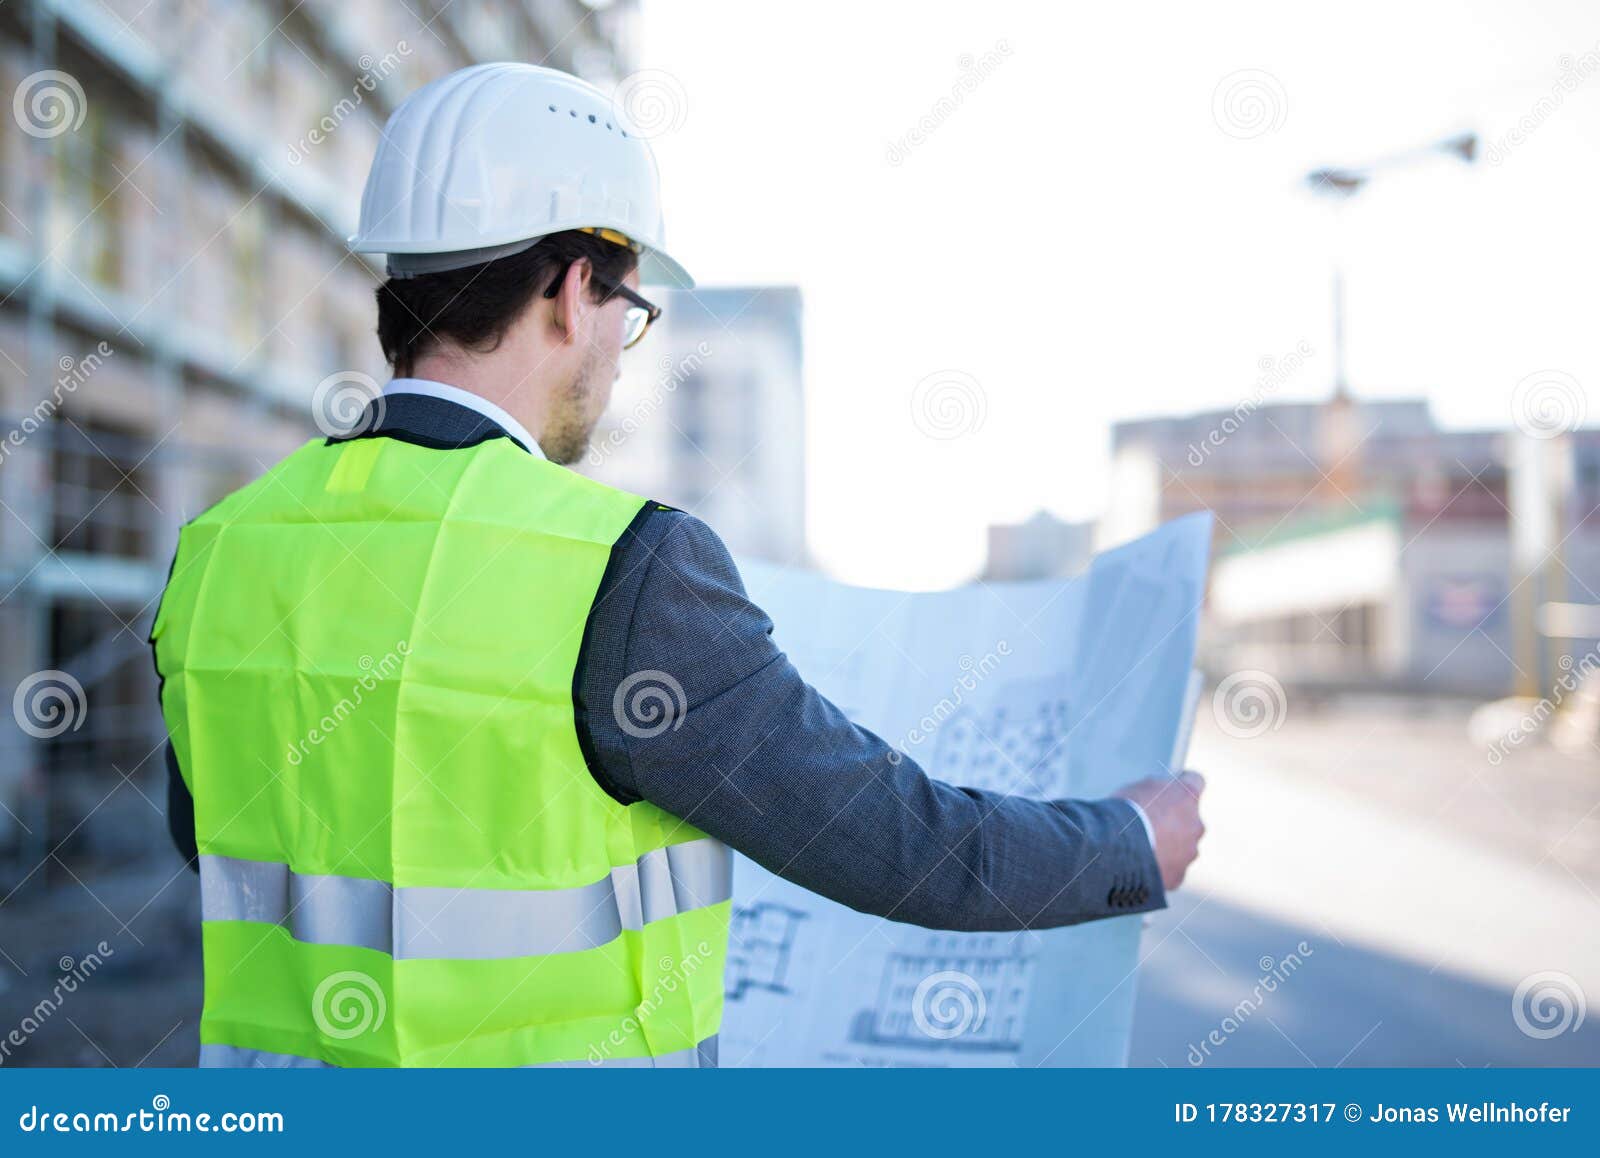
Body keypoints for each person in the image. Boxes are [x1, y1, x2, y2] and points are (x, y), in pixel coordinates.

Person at [153, 63, 1205, 1069]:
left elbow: (224, 850)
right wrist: (1123, 845)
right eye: (632, 313)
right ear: (573, 291)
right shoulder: (623, 565)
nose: (619, 351)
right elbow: (893, 840)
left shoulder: (218, 548)